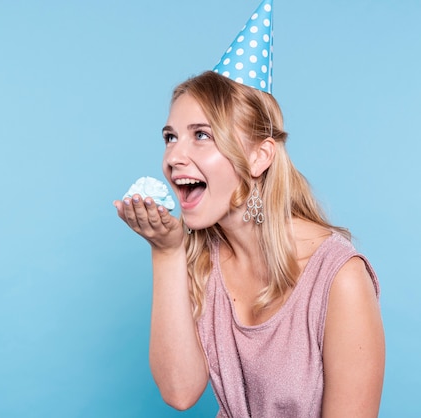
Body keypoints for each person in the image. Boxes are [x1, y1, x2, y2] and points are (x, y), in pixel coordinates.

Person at [113, 1, 385, 416]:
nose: (173, 157)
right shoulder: (203, 258)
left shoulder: (339, 279)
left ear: (260, 157)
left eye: (201, 135)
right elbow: (180, 392)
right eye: (171, 137)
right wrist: (166, 251)